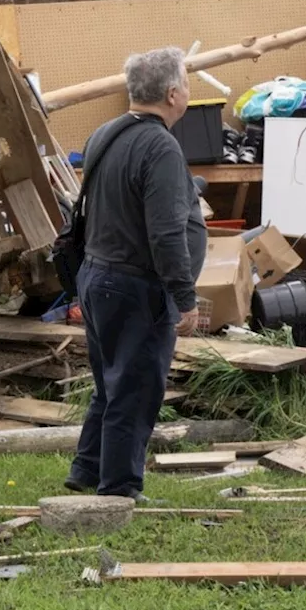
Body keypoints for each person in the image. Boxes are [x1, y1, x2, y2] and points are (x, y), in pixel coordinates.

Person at [65, 46, 207, 500]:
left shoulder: (105, 133)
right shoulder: (160, 146)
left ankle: (88, 469)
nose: (189, 88)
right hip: (134, 286)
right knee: (136, 388)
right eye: (186, 80)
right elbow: (165, 234)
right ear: (172, 94)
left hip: (97, 276)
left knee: (110, 383)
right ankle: (119, 488)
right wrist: (185, 298)